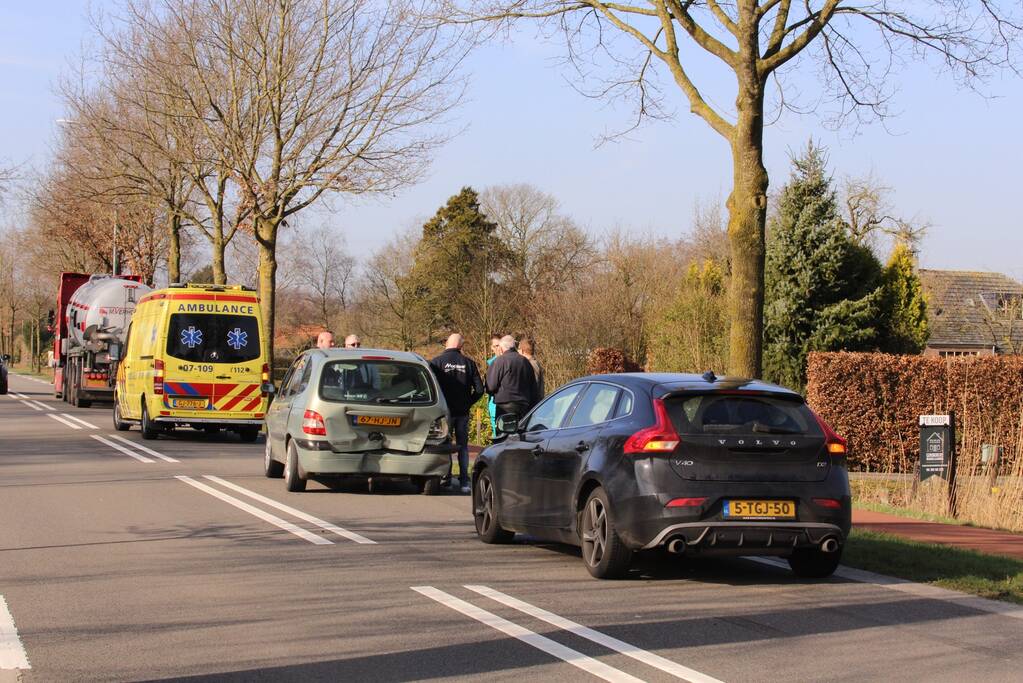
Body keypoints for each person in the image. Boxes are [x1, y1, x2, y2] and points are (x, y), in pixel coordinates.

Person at [430, 334, 485, 493]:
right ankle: (464, 481)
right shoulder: (469, 363)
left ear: (446, 344)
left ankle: (445, 478)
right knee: (462, 446)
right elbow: (480, 390)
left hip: (443, 412)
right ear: (461, 346)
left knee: (443, 444)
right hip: (462, 411)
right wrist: (468, 402)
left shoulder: (436, 363)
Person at [485, 335, 539, 437]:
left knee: (503, 439)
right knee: (520, 437)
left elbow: (490, 387)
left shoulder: (499, 361)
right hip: (524, 406)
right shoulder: (526, 362)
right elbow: (533, 388)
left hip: (504, 407)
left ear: (501, 348)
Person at [486, 333, 501, 438]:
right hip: (493, 405)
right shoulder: (491, 363)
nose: (498, 348)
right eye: (495, 346)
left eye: (499, 345)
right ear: (491, 348)